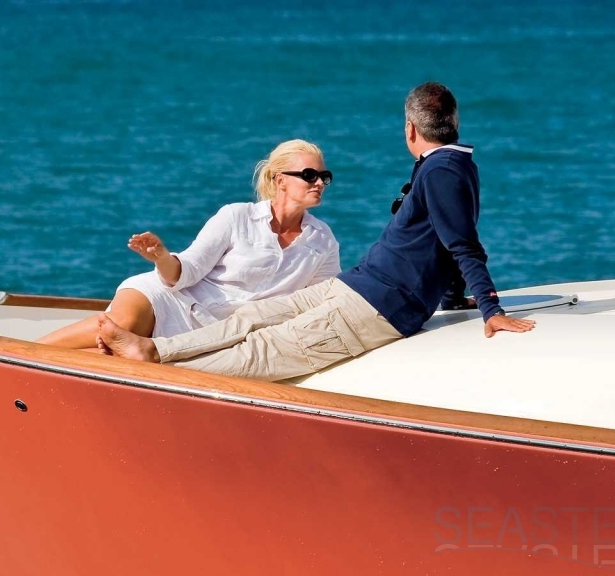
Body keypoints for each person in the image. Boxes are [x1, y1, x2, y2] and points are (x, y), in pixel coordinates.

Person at [96, 82, 536, 381]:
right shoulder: (448, 166)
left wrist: (491, 309)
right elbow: (442, 238)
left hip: (377, 307)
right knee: (252, 318)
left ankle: (149, 368)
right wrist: (453, 297)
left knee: (265, 350)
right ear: (453, 124)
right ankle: (155, 350)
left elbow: (461, 242)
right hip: (358, 286)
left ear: (410, 128)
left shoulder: (442, 171)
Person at [37, 139, 342, 349]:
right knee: (122, 323)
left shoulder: (323, 240)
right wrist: (161, 257)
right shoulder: (237, 216)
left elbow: (322, 301)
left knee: (107, 353)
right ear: (280, 180)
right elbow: (188, 269)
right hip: (171, 297)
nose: (319, 183)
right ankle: (21, 355)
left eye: (323, 176)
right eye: (309, 175)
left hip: (218, 335)